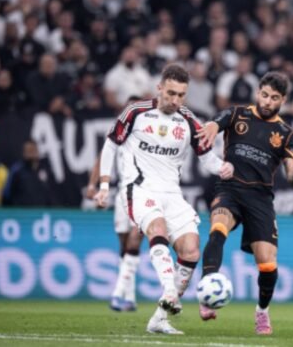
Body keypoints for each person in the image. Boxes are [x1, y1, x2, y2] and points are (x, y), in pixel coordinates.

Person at [94, 64, 234, 335]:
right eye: (170, 93)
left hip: (172, 194)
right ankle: (170, 290)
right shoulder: (136, 112)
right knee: (156, 228)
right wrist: (103, 184)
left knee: (191, 250)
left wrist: (223, 168)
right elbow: (111, 144)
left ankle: (159, 319)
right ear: (159, 88)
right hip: (140, 189)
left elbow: (207, 158)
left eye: (181, 95)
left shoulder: (189, 120)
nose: (175, 100)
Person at [195, 71, 293, 335]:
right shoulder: (236, 114)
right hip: (230, 188)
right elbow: (213, 125)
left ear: (283, 100)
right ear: (258, 92)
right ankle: (206, 293)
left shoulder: (286, 133)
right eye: (265, 95)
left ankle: (262, 312)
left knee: (267, 263)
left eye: (274, 98)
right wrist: (211, 127)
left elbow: (292, 176)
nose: (268, 101)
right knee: (217, 230)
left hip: (260, 198)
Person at [87, 96, 143, 312]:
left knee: (134, 241)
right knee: (124, 245)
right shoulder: (118, 134)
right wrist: (93, 185)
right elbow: (102, 159)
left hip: (144, 194)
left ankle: (118, 294)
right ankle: (130, 297)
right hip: (122, 194)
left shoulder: (151, 133)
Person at [2, 139, 56, 206]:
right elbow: (7, 195)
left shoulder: (45, 169)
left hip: (41, 211)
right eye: (29, 151)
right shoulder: (17, 170)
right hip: (21, 211)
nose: (32, 153)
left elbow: (50, 194)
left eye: (34, 150)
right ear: (24, 153)